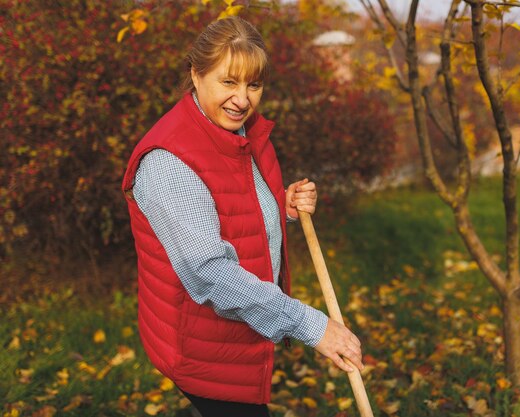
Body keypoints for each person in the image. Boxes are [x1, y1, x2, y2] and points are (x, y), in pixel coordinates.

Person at [121, 16, 364, 417]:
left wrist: (279, 207)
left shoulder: (238, 132)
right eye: (228, 82)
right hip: (203, 350)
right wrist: (312, 325)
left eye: (254, 85)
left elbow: (229, 206)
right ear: (196, 74)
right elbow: (211, 274)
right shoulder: (169, 163)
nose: (243, 99)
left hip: (236, 339)